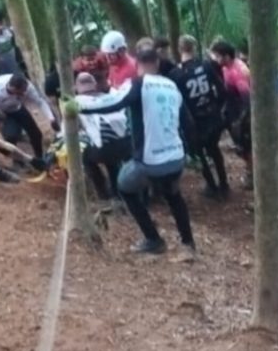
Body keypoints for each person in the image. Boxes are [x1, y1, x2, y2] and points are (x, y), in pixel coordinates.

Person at [65, 47, 195, 257]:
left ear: (137, 65)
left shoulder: (138, 84)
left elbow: (113, 102)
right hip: (176, 157)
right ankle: (188, 244)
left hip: (149, 161)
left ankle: (153, 239)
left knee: (125, 188)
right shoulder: (171, 86)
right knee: (173, 195)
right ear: (158, 64)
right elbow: (187, 122)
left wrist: (78, 107)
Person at [170, 35, 229, 198]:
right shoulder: (206, 65)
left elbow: (177, 101)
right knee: (215, 150)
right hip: (212, 116)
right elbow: (222, 90)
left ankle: (212, 187)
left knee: (200, 154)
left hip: (193, 122)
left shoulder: (176, 74)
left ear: (179, 49)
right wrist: (216, 107)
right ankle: (224, 184)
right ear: (194, 48)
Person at [73, 73, 131, 201]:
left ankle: (103, 193)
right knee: (112, 160)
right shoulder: (110, 97)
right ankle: (117, 192)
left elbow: (73, 130)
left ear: (77, 88)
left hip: (104, 148)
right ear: (94, 85)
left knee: (86, 158)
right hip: (127, 144)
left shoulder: (76, 102)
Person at [0, 74, 60, 159]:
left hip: (17, 108)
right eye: (21, 93)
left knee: (36, 133)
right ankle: (17, 160)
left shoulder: (28, 88)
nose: (24, 94)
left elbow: (40, 102)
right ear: (13, 88)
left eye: (25, 91)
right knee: (11, 136)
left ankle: (39, 157)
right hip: (2, 112)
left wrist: (51, 118)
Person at [210, 40, 253, 190]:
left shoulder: (238, 72)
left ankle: (253, 175)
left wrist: (240, 122)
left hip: (242, 115)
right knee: (242, 148)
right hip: (233, 112)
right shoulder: (227, 68)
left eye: (217, 56)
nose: (214, 59)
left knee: (247, 147)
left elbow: (247, 99)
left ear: (226, 56)